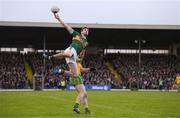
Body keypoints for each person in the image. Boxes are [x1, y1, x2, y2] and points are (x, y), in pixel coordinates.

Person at [50, 13, 89, 79]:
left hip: (74, 56)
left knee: (75, 75)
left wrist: (80, 59)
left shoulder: (86, 43)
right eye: (85, 30)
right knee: (69, 54)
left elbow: (82, 52)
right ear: (81, 32)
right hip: (71, 50)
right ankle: (51, 57)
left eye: (88, 30)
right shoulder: (76, 34)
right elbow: (66, 26)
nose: (87, 31)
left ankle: (60, 71)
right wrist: (59, 19)